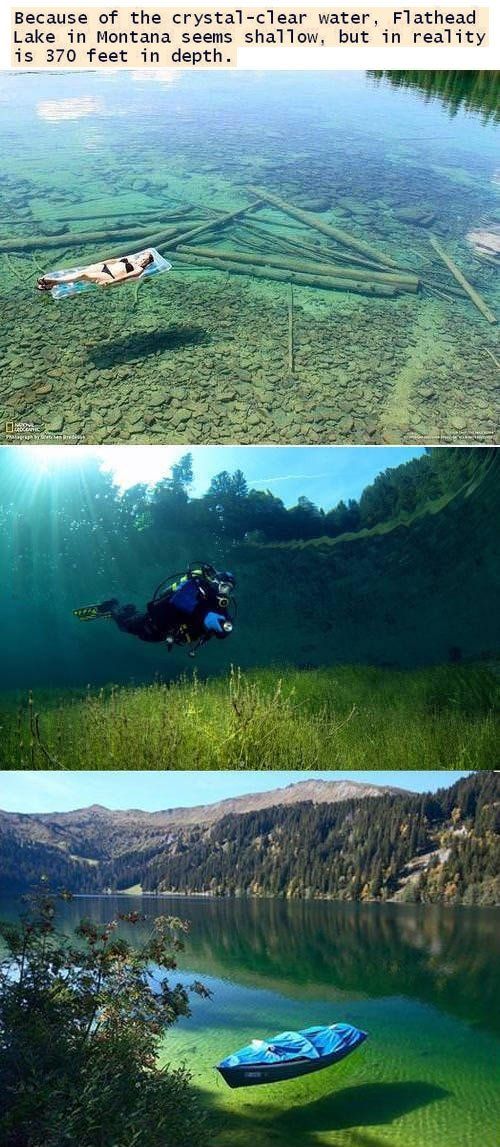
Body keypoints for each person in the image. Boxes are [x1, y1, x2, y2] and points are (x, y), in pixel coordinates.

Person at [75, 565, 236, 655]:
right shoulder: (195, 585)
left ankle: (127, 609)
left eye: (229, 589)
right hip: (152, 624)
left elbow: (223, 630)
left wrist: (225, 627)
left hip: (163, 633)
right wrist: (204, 615)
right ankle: (112, 607)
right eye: (223, 586)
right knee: (125, 626)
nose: (225, 592)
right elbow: (178, 600)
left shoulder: (218, 604)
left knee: (135, 622)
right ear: (215, 582)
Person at [37, 250, 155, 291]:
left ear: (146, 262)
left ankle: (53, 282)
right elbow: (115, 260)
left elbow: (125, 277)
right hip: (104, 267)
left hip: (111, 276)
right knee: (79, 273)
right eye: (142, 256)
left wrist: (111, 283)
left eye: (144, 259)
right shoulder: (131, 259)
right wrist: (100, 263)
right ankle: (50, 285)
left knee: (83, 275)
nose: (141, 259)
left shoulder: (139, 269)